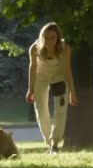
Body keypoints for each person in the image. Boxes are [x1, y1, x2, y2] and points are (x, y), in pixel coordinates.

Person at [26, 22, 77, 154]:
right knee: (41, 110)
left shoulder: (65, 48)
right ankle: (50, 143)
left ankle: (55, 143)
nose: (49, 41)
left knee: (60, 111)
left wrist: (72, 92)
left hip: (59, 77)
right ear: (41, 37)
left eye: (53, 38)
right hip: (41, 78)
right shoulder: (34, 49)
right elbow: (32, 69)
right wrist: (30, 90)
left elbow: (67, 71)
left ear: (58, 38)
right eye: (46, 38)